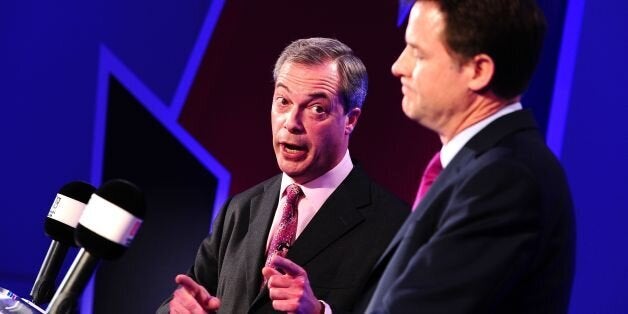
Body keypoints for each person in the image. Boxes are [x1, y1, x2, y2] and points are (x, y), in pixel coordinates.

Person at [157, 37, 408, 314]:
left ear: (350, 119)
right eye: (283, 101)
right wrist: (178, 309)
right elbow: (192, 294)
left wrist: (318, 312)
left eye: (316, 108)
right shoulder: (239, 210)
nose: (291, 123)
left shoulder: (393, 225)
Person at [360, 0, 576, 313]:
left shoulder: (506, 180)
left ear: (478, 70)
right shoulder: (485, 166)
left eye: (417, 53)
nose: (398, 66)